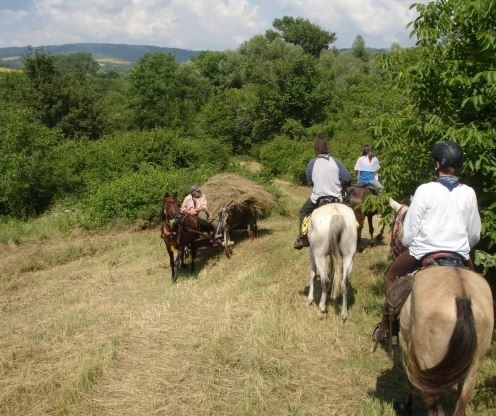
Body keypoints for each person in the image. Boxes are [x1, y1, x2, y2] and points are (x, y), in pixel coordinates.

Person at [374, 140, 481, 345]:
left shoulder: (425, 190)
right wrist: (460, 247)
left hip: (425, 252)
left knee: (392, 274)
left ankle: (391, 328)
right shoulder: (469, 193)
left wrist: (407, 242)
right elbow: (474, 234)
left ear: (437, 164)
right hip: (459, 256)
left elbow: (411, 230)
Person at [293, 138, 352, 250]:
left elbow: (310, 182)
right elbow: (348, 178)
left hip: (318, 198)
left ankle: (303, 238)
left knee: (303, 211)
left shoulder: (311, 163)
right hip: (337, 198)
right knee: (349, 212)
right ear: (327, 150)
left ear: (316, 150)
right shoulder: (337, 161)